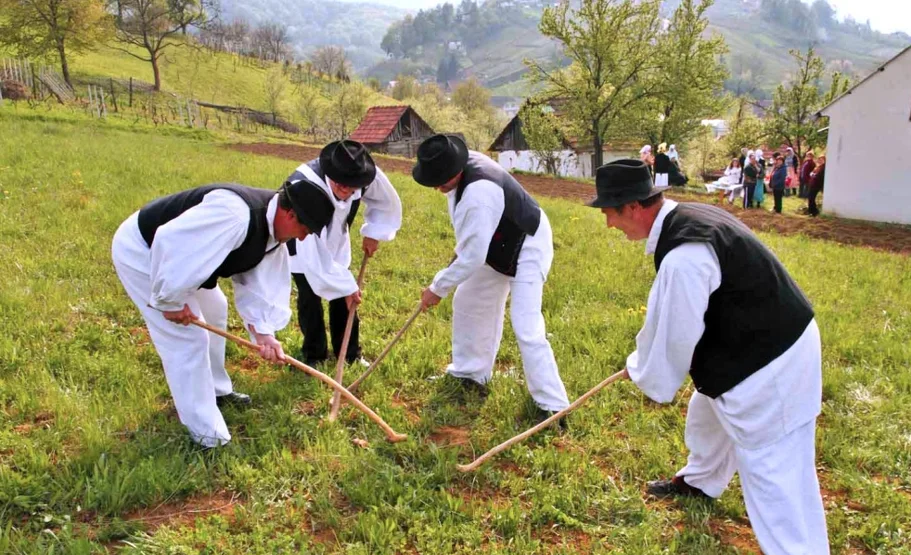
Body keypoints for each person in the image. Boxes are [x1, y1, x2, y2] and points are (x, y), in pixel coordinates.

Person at [589, 159, 829, 555]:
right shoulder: (686, 219)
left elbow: (677, 333)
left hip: (772, 358)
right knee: (708, 412)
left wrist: (647, 372)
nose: (608, 223)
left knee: (775, 463)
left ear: (631, 207)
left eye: (608, 211)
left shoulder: (685, 255)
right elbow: (666, 319)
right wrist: (640, 362)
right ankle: (702, 481)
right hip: (752, 342)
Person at [112, 180, 335, 447]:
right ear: (289, 214)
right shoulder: (235, 215)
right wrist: (169, 301)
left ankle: (218, 391)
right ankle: (208, 437)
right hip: (145, 252)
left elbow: (258, 284)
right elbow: (171, 242)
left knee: (216, 308)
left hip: (187, 262)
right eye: (304, 229)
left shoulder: (275, 232)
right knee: (188, 340)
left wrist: (263, 334)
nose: (302, 237)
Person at [412, 134, 570, 424]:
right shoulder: (460, 173)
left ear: (457, 170)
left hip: (528, 243)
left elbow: (471, 256)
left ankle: (553, 406)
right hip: (494, 244)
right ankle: (470, 373)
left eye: (441, 180)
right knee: (469, 301)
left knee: (525, 324)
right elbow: (471, 244)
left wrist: (438, 288)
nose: (437, 187)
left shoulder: (478, 193)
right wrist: (447, 278)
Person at [285, 140, 402, 368]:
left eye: (353, 187)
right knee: (310, 297)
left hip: (336, 240)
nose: (347, 190)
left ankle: (349, 354)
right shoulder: (306, 185)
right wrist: (346, 286)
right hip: (302, 244)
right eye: (341, 185)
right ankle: (314, 355)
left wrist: (374, 232)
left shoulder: (364, 175)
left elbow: (386, 202)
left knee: (344, 299)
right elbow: (313, 257)